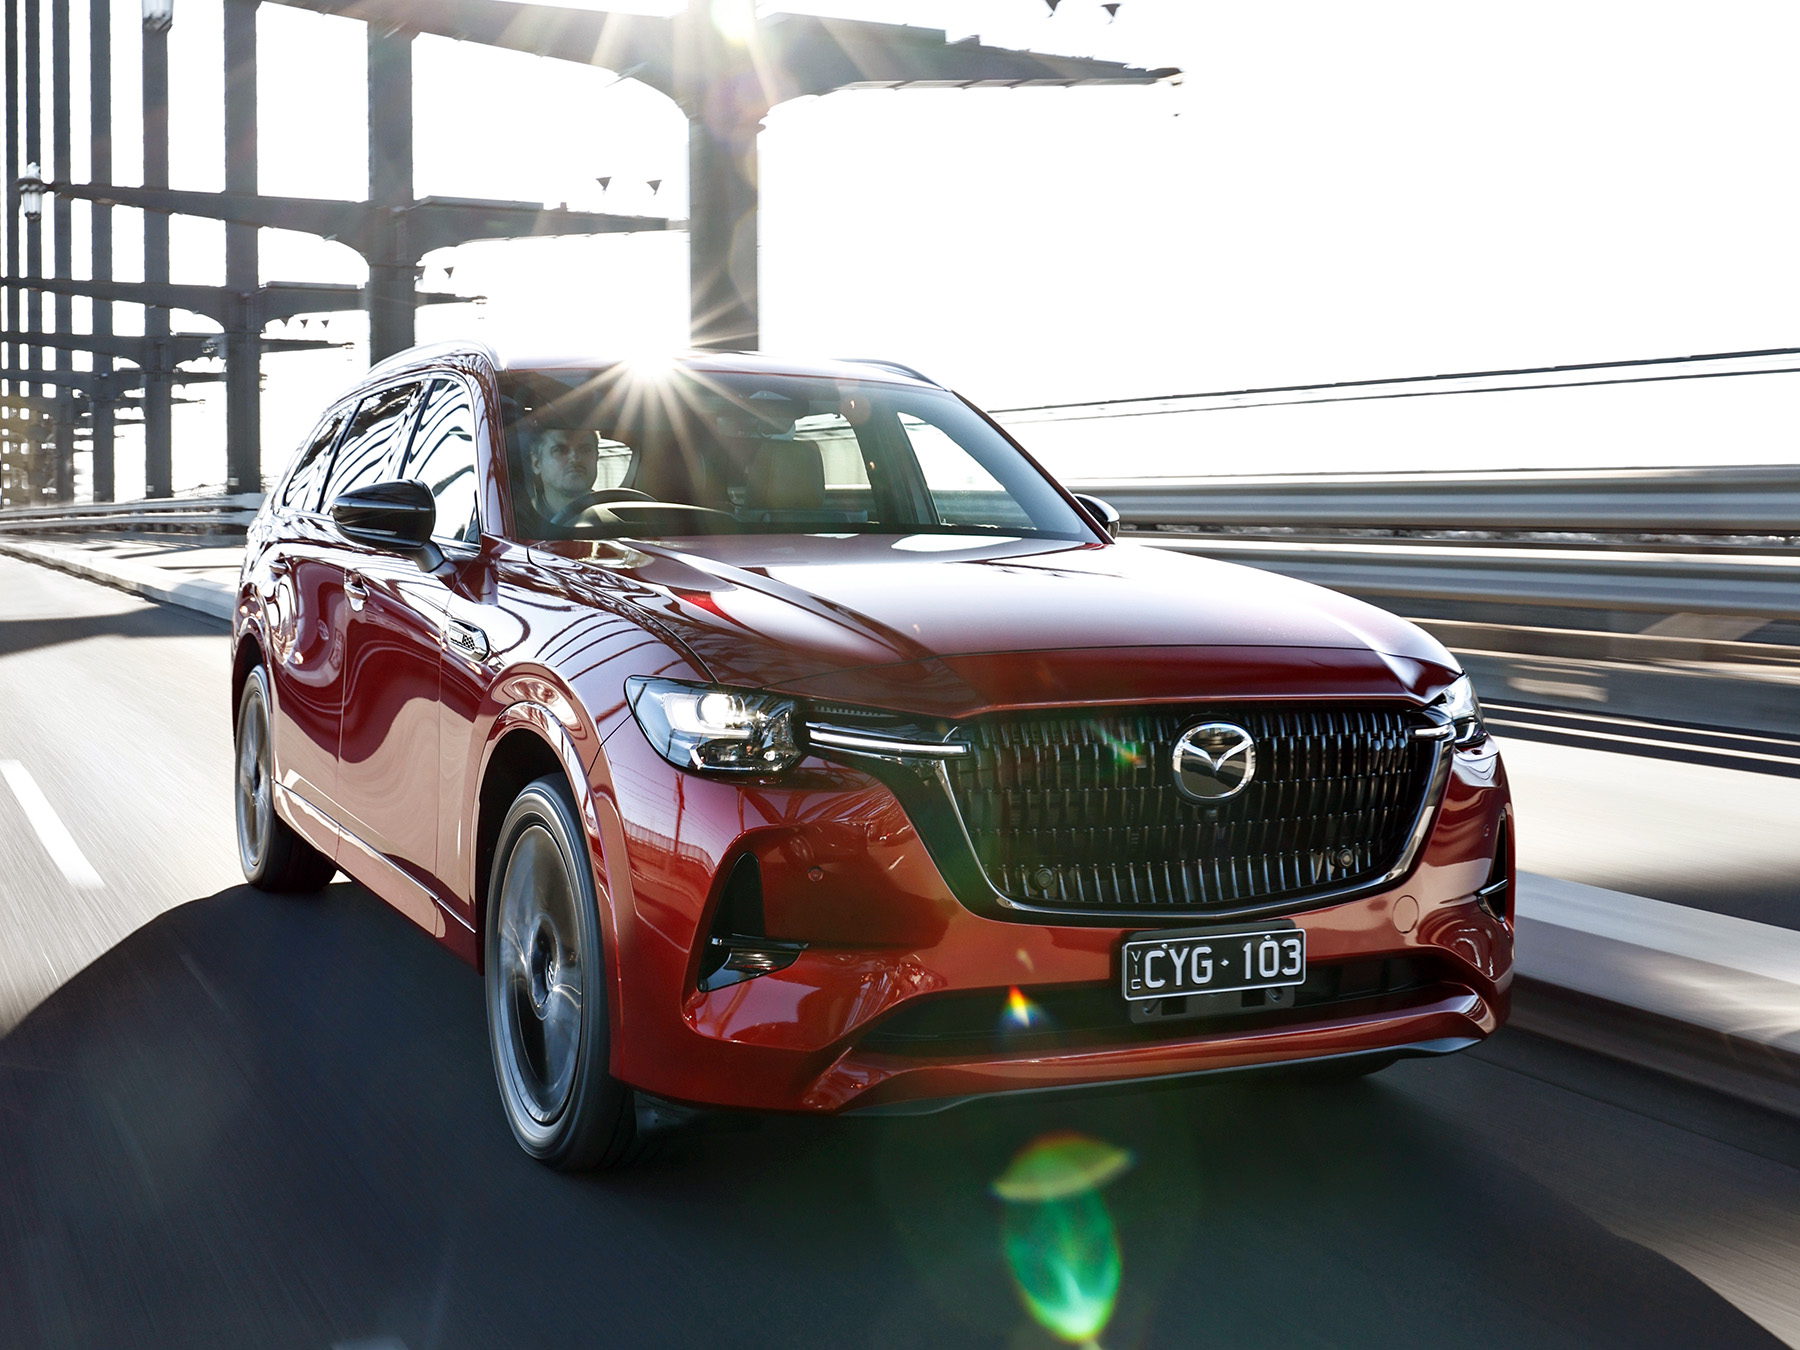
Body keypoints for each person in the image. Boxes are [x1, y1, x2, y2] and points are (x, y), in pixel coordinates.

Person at [522, 423, 602, 522]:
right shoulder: (520, 524)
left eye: (585, 450)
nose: (575, 458)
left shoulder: (616, 510)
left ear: (597, 457)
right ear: (536, 463)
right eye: (560, 450)